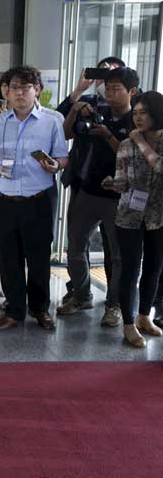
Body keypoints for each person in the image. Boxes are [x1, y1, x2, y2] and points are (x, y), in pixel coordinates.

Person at [0, 65, 69, 333]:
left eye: (25, 87)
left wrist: (55, 165)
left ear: (38, 91)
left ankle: (40, 309)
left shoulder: (52, 121)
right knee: (8, 258)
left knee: (39, 257)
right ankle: (14, 311)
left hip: (38, 199)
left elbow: (63, 157)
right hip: (3, 198)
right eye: (14, 88)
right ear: (6, 92)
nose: (19, 93)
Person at [58, 67, 138, 326]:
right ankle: (82, 295)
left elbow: (134, 156)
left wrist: (108, 136)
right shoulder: (95, 108)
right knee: (75, 249)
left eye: (117, 88)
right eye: (108, 87)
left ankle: (114, 305)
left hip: (119, 198)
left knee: (118, 256)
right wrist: (74, 110)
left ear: (132, 92)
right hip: (87, 191)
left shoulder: (136, 120)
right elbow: (67, 133)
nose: (111, 93)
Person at [103, 91, 163, 347]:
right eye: (135, 113)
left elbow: (159, 167)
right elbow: (122, 181)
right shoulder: (126, 145)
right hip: (128, 216)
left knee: (154, 267)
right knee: (129, 269)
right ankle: (128, 324)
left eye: (144, 113)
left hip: (158, 216)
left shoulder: (139, 141)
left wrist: (140, 141)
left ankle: (143, 317)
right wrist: (112, 184)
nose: (138, 118)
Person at [56, 56, 125, 118]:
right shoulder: (85, 101)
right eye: (102, 73)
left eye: (113, 75)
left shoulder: (131, 104)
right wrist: (79, 90)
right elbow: (57, 118)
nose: (106, 79)